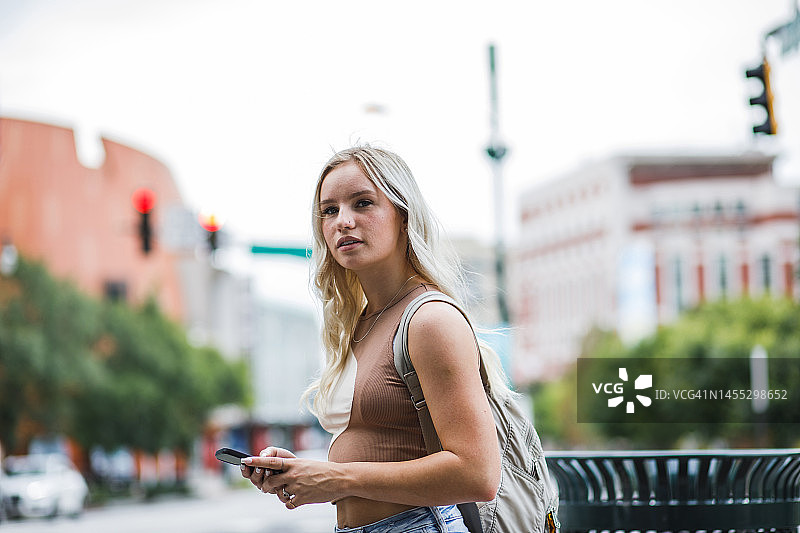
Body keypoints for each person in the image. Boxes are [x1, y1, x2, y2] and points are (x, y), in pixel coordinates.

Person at [241, 145, 516, 532]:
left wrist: (336, 478)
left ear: (403, 217)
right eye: (329, 210)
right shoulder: (362, 323)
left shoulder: (429, 319)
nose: (343, 221)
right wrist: (303, 472)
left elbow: (477, 474)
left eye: (363, 203)